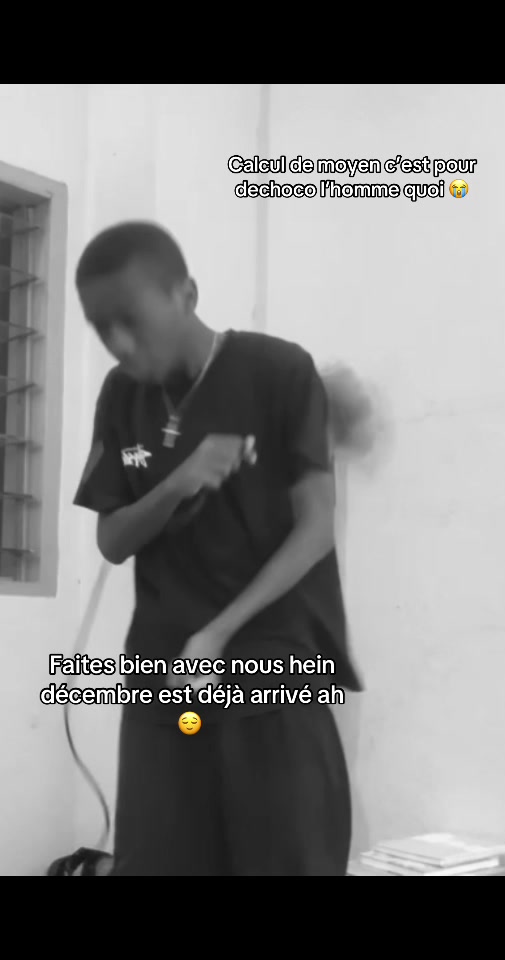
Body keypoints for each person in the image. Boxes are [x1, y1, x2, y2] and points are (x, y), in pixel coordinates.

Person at [73, 220, 363, 876]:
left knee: (285, 858)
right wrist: (177, 483)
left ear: (186, 294)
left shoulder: (279, 371)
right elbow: (112, 539)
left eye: (130, 320)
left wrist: (218, 633)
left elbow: (316, 527)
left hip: (274, 668)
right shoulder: (121, 396)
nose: (118, 343)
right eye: (100, 327)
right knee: (158, 860)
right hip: (163, 676)